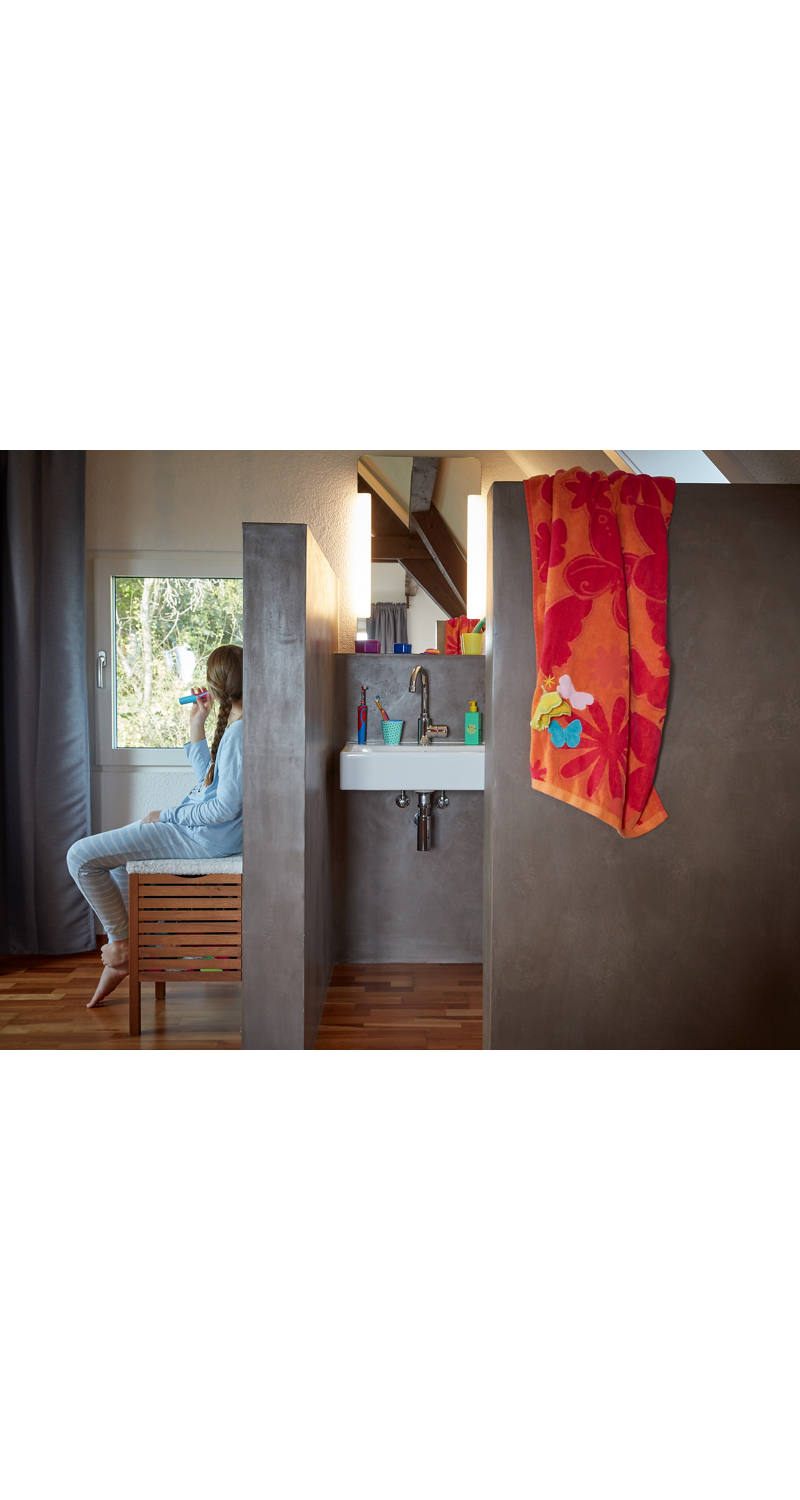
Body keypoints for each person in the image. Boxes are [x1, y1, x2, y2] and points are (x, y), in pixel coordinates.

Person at [67, 644, 243, 1008]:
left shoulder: (240, 735)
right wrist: (197, 724)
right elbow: (210, 785)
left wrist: (168, 815)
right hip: (196, 832)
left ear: (214, 685)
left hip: (200, 839)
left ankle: (121, 949)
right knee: (117, 867)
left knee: (81, 857)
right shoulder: (238, 730)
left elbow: (225, 807)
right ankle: (130, 946)